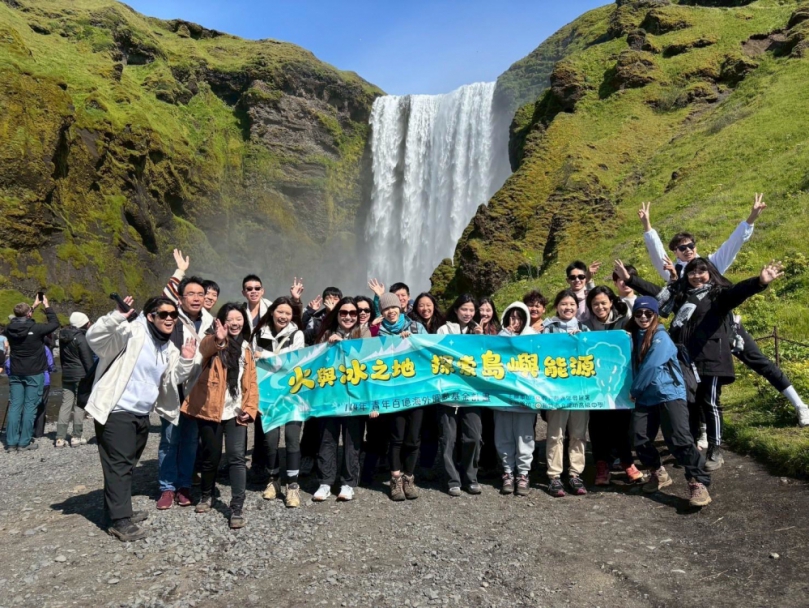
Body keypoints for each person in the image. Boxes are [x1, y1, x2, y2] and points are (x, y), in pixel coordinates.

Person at [638, 197, 809, 427]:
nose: (688, 250)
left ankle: (800, 405)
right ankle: (703, 432)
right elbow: (656, 251)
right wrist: (647, 226)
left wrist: (751, 218)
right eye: (682, 248)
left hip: (726, 327)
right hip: (697, 335)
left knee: (760, 362)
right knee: (696, 381)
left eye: (691, 245)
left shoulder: (711, 265)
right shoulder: (673, 272)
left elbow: (733, 243)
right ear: (676, 252)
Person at [616, 258, 786, 471]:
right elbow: (655, 292)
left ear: (710, 273)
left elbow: (736, 292)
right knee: (690, 403)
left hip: (713, 358)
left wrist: (759, 282)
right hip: (687, 359)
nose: (696, 276)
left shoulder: (717, 295)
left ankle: (715, 449)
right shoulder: (682, 296)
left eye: (701, 271)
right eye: (692, 272)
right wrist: (630, 280)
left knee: (711, 403)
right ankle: (693, 447)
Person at [86, 296, 196, 541]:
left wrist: (187, 358)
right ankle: (119, 521)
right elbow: (95, 339)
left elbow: (173, 378)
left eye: (173, 315)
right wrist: (116, 317)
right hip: (117, 409)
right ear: (150, 316)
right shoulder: (131, 332)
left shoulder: (168, 347)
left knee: (127, 464)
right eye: (164, 314)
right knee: (119, 464)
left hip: (142, 412)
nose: (170, 318)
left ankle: (115, 510)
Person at [626, 296, 712, 507]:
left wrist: (635, 390)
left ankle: (698, 482)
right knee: (639, 437)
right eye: (639, 313)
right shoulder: (632, 336)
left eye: (648, 313)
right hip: (646, 396)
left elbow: (652, 366)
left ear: (655, 315)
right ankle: (658, 472)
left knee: (680, 439)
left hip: (668, 393)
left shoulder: (661, 337)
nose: (643, 317)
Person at [182, 303, 257, 529]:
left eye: (239, 319)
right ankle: (206, 495)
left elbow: (251, 383)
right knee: (210, 456)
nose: (235, 323)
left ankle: (236, 506)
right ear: (222, 321)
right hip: (211, 410)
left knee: (236, 457)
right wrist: (220, 339)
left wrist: (250, 408)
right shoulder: (210, 340)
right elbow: (205, 349)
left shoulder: (246, 348)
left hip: (236, 412)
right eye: (230, 319)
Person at [156, 274, 214, 510]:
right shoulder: (171, 320)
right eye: (191, 294)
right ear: (180, 298)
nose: (197, 298)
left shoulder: (211, 322)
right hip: (173, 387)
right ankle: (166, 487)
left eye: (201, 294)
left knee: (190, 441)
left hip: (197, 391)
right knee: (170, 440)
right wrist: (178, 272)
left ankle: (184, 485)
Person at [312, 297, 372, 502]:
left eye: (353, 313)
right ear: (336, 314)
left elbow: (369, 363)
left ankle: (348, 482)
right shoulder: (325, 334)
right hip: (329, 397)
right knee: (327, 439)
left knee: (352, 440)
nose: (348, 316)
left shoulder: (364, 333)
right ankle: (325, 482)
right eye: (343, 313)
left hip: (355, 397)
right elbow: (313, 362)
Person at [583, 287, 643, 486]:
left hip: (620, 385)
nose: (599, 307)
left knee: (621, 425)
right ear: (590, 307)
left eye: (603, 303)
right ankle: (601, 465)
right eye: (595, 304)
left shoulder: (625, 323)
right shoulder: (585, 327)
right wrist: (575, 337)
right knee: (598, 425)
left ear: (611, 302)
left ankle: (627, 462)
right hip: (593, 386)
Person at [252, 297, 306, 507]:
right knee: (270, 440)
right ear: (272, 311)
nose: (283, 316)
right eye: (280, 312)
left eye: (288, 313)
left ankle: (293, 485)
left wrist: (264, 355)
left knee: (292, 439)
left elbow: (292, 361)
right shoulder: (259, 333)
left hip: (292, 394)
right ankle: (273, 479)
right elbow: (250, 359)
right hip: (267, 395)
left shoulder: (297, 334)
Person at [542, 289, 590, 497]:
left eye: (571, 304)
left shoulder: (585, 328)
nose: (568, 308)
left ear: (577, 307)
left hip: (580, 391)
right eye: (563, 304)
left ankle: (575, 474)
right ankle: (554, 476)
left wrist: (582, 341)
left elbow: (594, 354)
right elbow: (540, 355)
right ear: (557, 307)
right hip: (556, 391)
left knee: (578, 434)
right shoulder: (548, 330)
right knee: (555, 434)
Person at [437, 294, 484, 496]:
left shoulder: (477, 331)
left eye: (471, 310)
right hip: (448, 393)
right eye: (464, 309)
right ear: (456, 310)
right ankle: (452, 479)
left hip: (472, 393)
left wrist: (481, 339)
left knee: (473, 436)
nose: (467, 313)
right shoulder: (444, 329)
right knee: (448, 438)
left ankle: (470, 477)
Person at [378, 292, 422, 500]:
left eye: (393, 307)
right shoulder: (378, 333)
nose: (390, 311)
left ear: (401, 307)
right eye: (386, 309)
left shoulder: (416, 328)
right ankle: (395, 480)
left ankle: (409, 478)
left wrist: (412, 341)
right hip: (393, 393)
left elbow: (429, 351)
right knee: (396, 438)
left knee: (413, 439)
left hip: (417, 393)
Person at [4, 295, 59, 452]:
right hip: (34, 372)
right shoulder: (36, 329)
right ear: (29, 314)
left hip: (16, 371)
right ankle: (24, 442)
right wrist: (46, 305)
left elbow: (19, 320)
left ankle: (11, 442)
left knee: (15, 405)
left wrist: (32, 307)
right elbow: (55, 324)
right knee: (30, 406)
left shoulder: (9, 329)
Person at [494, 302, 536, 496]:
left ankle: (523, 473)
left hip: (525, 400)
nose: (515, 321)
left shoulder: (533, 338)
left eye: (519, 317)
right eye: (511, 317)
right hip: (502, 399)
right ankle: (507, 471)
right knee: (503, 437)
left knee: (525, 437)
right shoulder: (499, 338)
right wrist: (506, 335)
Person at [407, 293, 445, 476]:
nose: (425, 309)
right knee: (414, 427)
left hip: (438, 384)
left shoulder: (443, 325)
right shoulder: (410, 325)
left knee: (431, 426)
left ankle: (427, 465)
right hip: (416, 384)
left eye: (428, 305)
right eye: (421, 305)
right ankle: (409, 467)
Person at [56, 312, 95, 447]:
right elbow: (87, 359)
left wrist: (64, 370)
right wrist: (92, 375)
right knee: (79, 405)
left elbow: (62, 357)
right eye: (88, 322)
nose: (89, 324)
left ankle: (60, 437)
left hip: (67, 374)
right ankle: (76, 436)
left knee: (65, 404)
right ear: (83, 323)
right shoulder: (81, 338)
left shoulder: (62, 336)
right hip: (81, 375)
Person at [32, 337, 56, 439]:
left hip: (29, 379)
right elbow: (50, 364)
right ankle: (38, 432)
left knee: (28, 405)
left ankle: (26, 430)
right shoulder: (45, 348)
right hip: (44, 379)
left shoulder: (25, 348)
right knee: (42, 406)